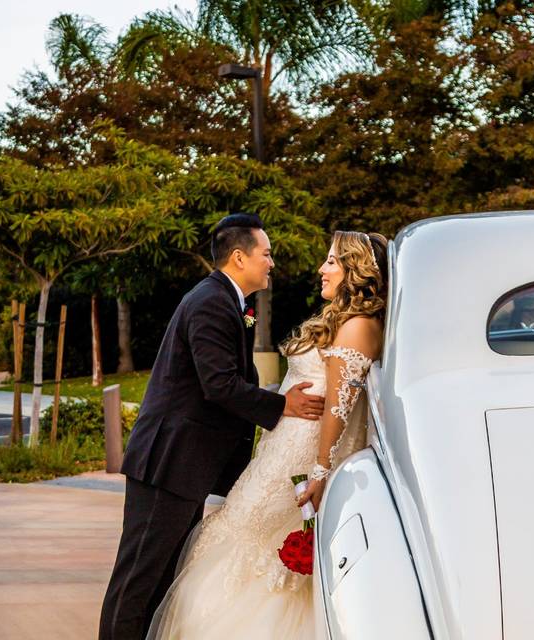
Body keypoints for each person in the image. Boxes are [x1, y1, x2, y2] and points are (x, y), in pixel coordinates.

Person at [145, 230, 387, 639]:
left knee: (263, 554)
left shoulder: (360, 327)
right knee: (236, 537)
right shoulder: (337, 321)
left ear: (354, 270)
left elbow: (339, 410)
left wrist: (319, 472)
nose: (321, 269)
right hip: (280, 453)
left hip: (302, 461)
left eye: (331, 261)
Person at [99, 213, 325, 640]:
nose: (272, 262)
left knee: (162, 577)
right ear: (239, 257)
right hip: (168, 462)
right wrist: (283, 406)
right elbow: (219, 384)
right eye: (267, 253)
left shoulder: (227, 301)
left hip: (186, 466)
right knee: (138, 580)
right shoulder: (210, 302)